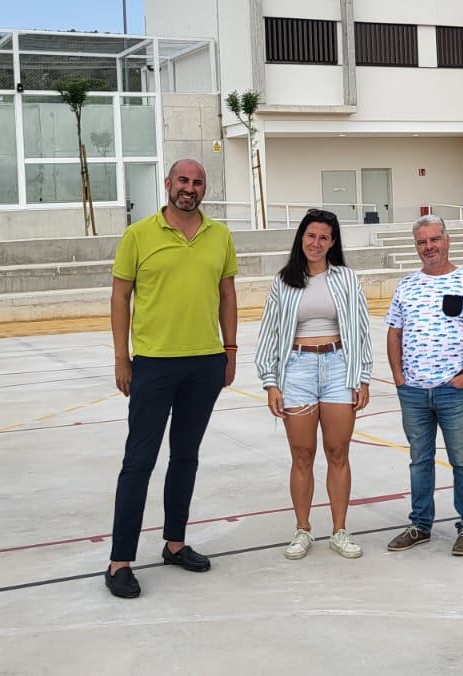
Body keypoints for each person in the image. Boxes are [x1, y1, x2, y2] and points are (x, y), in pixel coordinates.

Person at [106, 159, 238, 599]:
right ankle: (119, 560)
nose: (190, 188)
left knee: (185, 457)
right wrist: (122, 358)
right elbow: (120, 296)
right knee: (138, 462)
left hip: (204, 363)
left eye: (198, 182)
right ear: (168, 184)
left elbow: (227, 293)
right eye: (183, 180)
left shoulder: (219, 235)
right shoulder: (139, 235)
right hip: (153, 364)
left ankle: (175, 542)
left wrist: (230, 350)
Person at [254, 208, 374, 560]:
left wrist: (362, 376)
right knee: (302, 455)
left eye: (324, 237)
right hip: (298, 371)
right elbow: (269, 334)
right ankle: (303, 529)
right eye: (311, 236)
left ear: (333, 242)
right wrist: (271, 382)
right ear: (301, 238)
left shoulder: (347, 279)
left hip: (338, 368)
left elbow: (361, 329)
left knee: (338, 452)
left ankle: (340, 530)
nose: (316, 243)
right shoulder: (283, 281)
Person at [383, 215, 463, 556]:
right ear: (415, 246)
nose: (428, 247)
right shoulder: (406, 285)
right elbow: (394, 332)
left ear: (447, 240)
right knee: (420, 460)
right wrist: (399, 378)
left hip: (454, 391)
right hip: (414, 392)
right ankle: (420, 524)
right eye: (421, 242)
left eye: (434, 239)